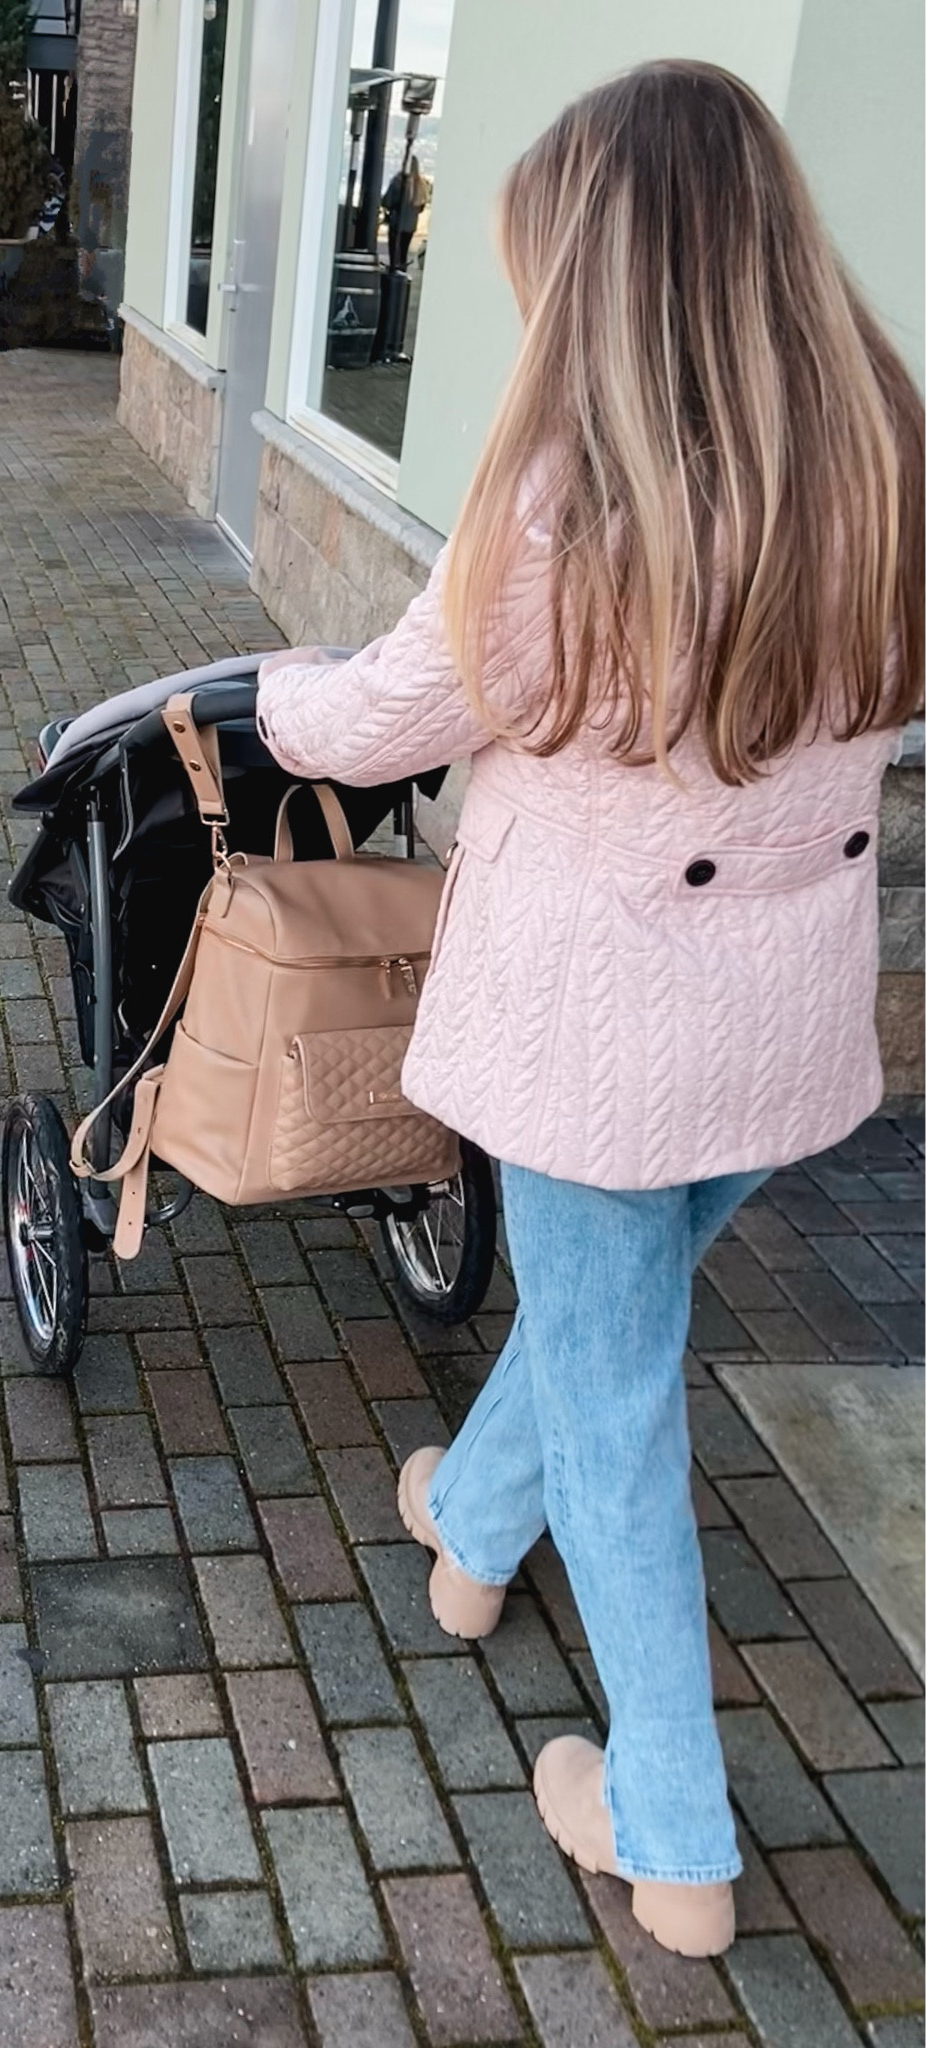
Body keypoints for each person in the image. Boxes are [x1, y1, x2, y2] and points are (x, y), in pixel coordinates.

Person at [256, 60, 922, 1958]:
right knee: (605, 1310)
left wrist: (262, 694)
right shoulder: (884, 459)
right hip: (782, 1034)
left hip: (595, 1042)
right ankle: (470, 1532)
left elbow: (382, 716)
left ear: (603, 279)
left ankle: (672, 1831)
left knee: (620, 1387)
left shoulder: (567, 510)